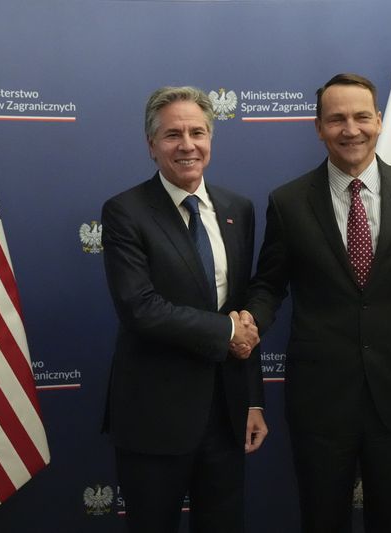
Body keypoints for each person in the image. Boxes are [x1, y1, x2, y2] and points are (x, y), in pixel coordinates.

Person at [242, 73, 391, 532]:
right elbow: (269, 284)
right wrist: (250, 320)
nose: (350, 129)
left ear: (379, 121)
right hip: (321, 396)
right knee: (321, 518)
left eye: (361, 117)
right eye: (336, 119)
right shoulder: (289, 201)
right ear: (318, 127)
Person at [101, 86, 268, 533]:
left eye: (198, 132)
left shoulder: (238, 209)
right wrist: (227, 333)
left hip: (227, 414)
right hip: (155, 417)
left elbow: (243, 311)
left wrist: (253, 399)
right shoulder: (125, 212)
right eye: (173, 134)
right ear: (152, 145)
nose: (187, 145)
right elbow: (141, 308)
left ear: (211, 139)